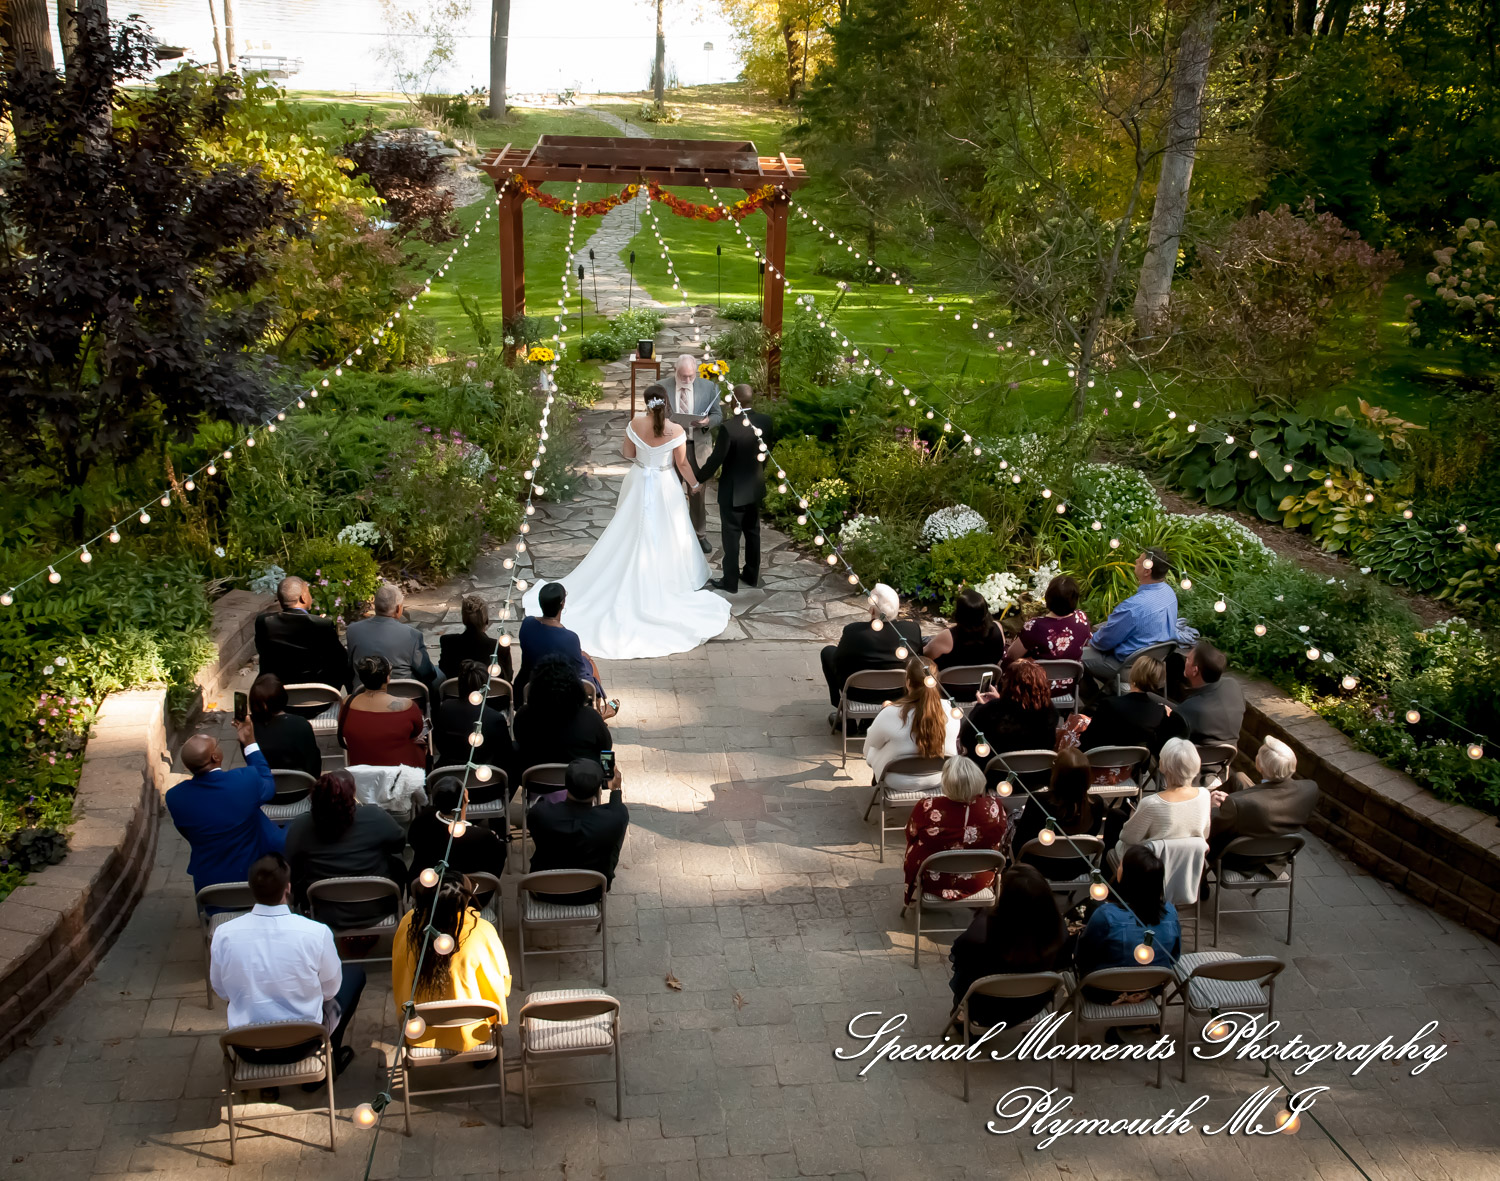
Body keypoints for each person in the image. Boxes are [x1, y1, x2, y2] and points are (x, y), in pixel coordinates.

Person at [520, 389, 730, 660]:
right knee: (670, 531)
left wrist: (645, 457)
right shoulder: (677, 429)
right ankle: (669, 575)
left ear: (647, 404)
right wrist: (695, 484)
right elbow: (682, 464)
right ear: (667, 404)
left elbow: (627, 453)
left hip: (639, 481)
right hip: (665, 486)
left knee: (629, 529)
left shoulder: (634, 424)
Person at [210, 853, 365, 1084]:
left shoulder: (224, 934)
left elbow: (221, 991)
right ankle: (327, 1065)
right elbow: (330, 991)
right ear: (288, 888)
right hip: (304, 1043)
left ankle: (267, 1084)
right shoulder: (316, 932)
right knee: (354, 975)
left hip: (246, 1046)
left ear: (251, 889)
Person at [166, 718, 284, 896]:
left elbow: (188, 833)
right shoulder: (245, 779)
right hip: (257, 881)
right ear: (215, 757)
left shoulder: (174, 797)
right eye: (217, 744)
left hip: (211, 889)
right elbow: (268, 786)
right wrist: (250, 742)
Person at [393, 877, 511, 1054]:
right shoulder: (481, 931)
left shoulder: (408, 924)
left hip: (419, 1029)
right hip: (471, 1029)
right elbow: (500, 983)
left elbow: (398, 971)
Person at [948, 866, 1073, 1027]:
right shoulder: (1058, 929)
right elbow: (1061, 964)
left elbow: (959, 960)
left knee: (967, 975)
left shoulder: (981, 934)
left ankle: (963, 1021)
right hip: (1033, 1003)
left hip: (984, 1008)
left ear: (1007, 900)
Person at [284, 770, 406, 924]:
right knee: (397, 859)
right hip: (377, 907)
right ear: (352, 796)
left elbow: (291, 865)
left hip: (323, 911)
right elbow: (399, 842)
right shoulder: (375, 816)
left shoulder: (301, 826)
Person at [691, 383, 773, 593]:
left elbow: (716, 459)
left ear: (734, 400)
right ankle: (751, 575)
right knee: (753, 533)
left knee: (732, 536)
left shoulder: (730, 428)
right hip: (754, 487)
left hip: (732, 492)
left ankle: (730, 581)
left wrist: (698, 478)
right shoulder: (765, 421)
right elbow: (766, 453)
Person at [1076, 844, 1181, 996]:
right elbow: (1174, 956)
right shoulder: (1171, 912)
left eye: (1121, 864)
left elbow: (1083, 957)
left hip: (1103, 989)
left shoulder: (1106, 915)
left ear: (1127, 876)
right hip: (1151, 987)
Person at [902, 757, 1008, 905]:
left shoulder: (928, 806)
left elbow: (910, 834)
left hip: (933, 877)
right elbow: (1001, 834)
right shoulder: (994, 807)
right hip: (980, 876)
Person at [1080, 548, 1180, 697]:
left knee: (1075, 656)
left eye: (1139, 561)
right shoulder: (1169, 592)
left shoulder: (1134, 607)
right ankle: (1106, 695)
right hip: (1155, 665)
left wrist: (1089, 637)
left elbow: (1103, 642)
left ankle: (1095, 703)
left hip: (1129, 668)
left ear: (1147, 571)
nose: (1135, 562)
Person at [528, 759, 630, 904]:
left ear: (565, 784)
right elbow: (618, 809)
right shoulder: (613, 820)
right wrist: (616, 789)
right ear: (597, 790)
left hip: (543, 890)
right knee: (615, 831)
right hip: (592, 892)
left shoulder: (541, 813)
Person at [1209, 736, 1318, 871]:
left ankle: (1202, 886)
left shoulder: (1239, 804)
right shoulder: (1310, 788)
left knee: (1195, 839)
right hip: (1277, 858)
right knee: (1239, 778)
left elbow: (1212, 829)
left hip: (1238, 858)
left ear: (1259, 766)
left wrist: (1214, 807)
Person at [820, 583, 924, 717]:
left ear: (873, 611)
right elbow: (919, 658)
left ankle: (845, 715)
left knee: (828, 652)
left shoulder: (853, 632)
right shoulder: (912, 630)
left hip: (859, 694)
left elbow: (838, 661)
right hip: (900, 692)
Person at [864, 657, 961, 792]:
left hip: (898, 781)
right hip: (939, 777)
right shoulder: (952, 711)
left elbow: (870, 745)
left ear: (908, 682)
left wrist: (885, 712)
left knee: (874, 745)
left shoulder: (891, 713)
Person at [515, 581, 610, 711]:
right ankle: (599, 711)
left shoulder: (527, 624)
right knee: (588, 664)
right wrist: (595, 686)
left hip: (528, 687)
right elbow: (581, 674)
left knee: (583, 659)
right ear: (562, 604)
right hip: (560, 695)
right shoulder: (569, 638)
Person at [513, 654, 613, 777]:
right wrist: (608, 775)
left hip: (538, 783)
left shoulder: (523, 716)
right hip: (581, 784)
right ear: (575, 687)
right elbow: (606, 747)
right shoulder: (590, 717)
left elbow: (520, 742)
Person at [1013, 747, 1104, 879]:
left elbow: (1018, 845)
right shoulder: (1097, 803)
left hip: (1037, 869)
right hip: (1075, 868)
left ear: (1056, 773)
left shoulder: (1038, 800)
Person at [1115, 738, 1210, 860]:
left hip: (1150, 862)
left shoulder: (1151, 803)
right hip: (1188, 860)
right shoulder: (1205, 795)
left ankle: (1102, 876)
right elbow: (1204, 833)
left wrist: (1134, 817)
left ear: (1162, 765)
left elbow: (1127, 837)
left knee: (1115, 820)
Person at [667, 355, 724, 553]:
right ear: (675, 370)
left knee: (697, 492)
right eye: (683, 376)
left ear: (696, 372)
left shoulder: (709, 388)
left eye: (691, 376)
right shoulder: (662, 386)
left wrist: (706, 422)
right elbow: (653, 415)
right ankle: (671, 534)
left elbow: (718, 415)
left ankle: (699, 536)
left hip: (697, 446)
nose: (687, 380)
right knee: (670, 492)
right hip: (671, 448)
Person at [407, 774, 508, 885]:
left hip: (423, 888)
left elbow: (413, 841)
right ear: (465, 799)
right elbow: (497, 858)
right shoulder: (483, 837)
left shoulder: (423, 818)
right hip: (467, 894)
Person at [254, 575, 349, 691]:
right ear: (303, 597)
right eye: (308, 592)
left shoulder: (264, 622)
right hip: (317, 697)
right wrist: (319, 625)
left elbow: (264, 652)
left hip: (276, 694)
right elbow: (340, 660)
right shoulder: (322, 625)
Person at [1079, 655, 1185, 757]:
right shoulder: (1160, 712)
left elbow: (1087, 741)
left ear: (1133, 674)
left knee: (1076, 721)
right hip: (1132, 765)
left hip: (1099, 762)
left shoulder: (1110, 704)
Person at [1007, 574, 1093, 696]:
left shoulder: (1035, 625)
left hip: (1037, 685)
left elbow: (1013, 654)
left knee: (1006, 654)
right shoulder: (1081, 618)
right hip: (1069, 683)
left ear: (1048, 598)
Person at [339, 655, 426, 769]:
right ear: (387, 678)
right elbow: (417, 731)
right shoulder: (407, 706)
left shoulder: (347, 703)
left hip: (361, 768)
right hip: (401, 770)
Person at [345, 583, 439, 689]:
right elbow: (427, 673)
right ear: (398, 608)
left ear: (375, 605)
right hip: (404, 697)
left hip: (363, 693)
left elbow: (350, 668)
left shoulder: (353, 630)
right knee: (439, 676)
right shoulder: (412, 636)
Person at [962, 659, 1059, 760]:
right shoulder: (1049, 711)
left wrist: (980, 706)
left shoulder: (992, 710)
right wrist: (999, 700)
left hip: (995, 772)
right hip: (1038, 772)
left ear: (1009, 684)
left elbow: (966, 738)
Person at [433, 659, 516, 773]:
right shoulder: (494, 718)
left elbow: (439, 743)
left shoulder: (444, 708)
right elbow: (505, 754)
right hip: (485, 780)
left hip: (447, 773)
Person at [248, 673, 322, 778]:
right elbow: (314, 764)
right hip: (302, 787)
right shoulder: (300, 724)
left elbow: (251, 762)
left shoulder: (248, 731)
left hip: (264, 788)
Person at [1174, 641, 1245, 747]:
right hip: (1226, 756)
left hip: (1194, 758)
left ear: (1195, 670)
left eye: (1188, 659)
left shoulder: (1188, 710)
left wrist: (1170, 716)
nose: (1185, 660)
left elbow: (1169, 741)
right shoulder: (1233, 685)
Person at [925, 587, 1008, 672]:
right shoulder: (998, 628)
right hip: (983, 683)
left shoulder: (949, 637)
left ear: (960, 613)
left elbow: (925, 654)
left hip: (949, 684)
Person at [439, 594, 512, 685]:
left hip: (456, 696)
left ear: (463, 620)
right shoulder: (499, 647)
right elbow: (508, 678)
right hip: (492, 698)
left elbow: (443, 671)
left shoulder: (448, 642)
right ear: (486, 620)